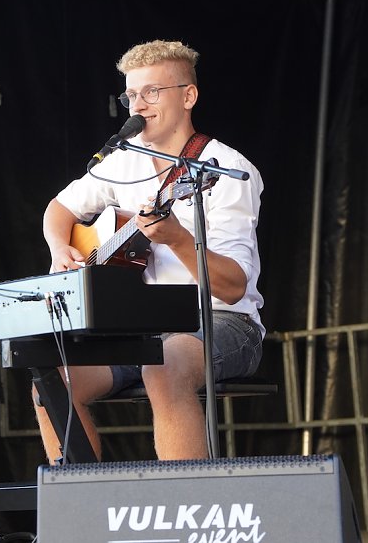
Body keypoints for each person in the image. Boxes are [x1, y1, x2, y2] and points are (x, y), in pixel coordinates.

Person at [34, 39, 264, 462]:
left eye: (152, 92)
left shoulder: (226, 170)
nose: (138, 105)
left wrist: (176, 237)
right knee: (53, 380)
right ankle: (81, 516)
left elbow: (233, 287)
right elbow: (58, 208)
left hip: (223, 323)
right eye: (131, 95)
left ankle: (185, 518)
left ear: (189, 96)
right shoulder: (123, 161)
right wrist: (59, 249)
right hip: (144, 328)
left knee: (164, 364)